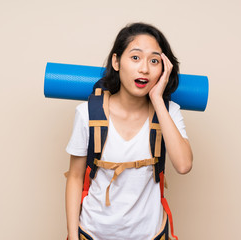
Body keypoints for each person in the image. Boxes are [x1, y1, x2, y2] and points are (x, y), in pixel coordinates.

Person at [65, 22, 193, 240]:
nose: (144, 68)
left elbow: (183, 165)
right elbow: (75, 177)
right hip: (93, 232)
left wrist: (158, 101)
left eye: (154, 61)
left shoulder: (169, 112)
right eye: (135, 58)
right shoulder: (87, 113)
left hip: (150, 234)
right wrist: (72, 235)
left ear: (164, 68)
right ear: (116, 61)